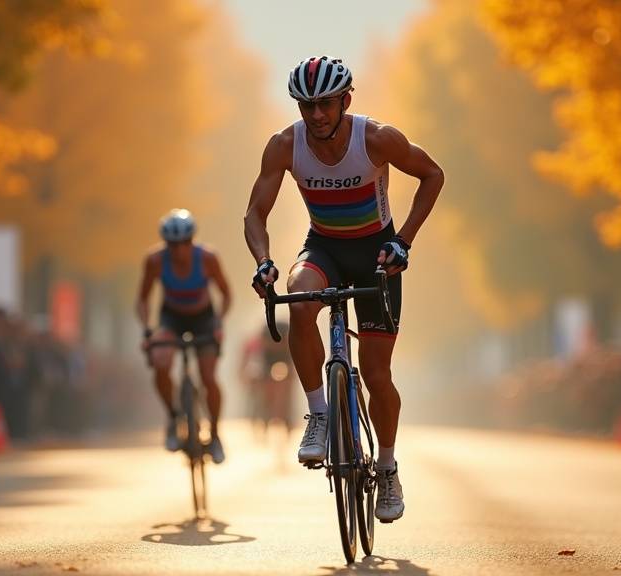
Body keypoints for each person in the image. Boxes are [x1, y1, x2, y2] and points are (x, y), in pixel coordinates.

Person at [244, 56, 444, 523]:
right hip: (325, 249)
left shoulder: (375, 138)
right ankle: (318, 414)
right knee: (300, 296)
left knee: (377, 375)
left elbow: (432, 174)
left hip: (378, 253)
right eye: (307, 105)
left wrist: (404, 241)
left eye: (326, 105)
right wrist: (264, 263)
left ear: (345, 101)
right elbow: (255, 212)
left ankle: (388, 468)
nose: (316, 115)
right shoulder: (283, 146)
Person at [136, 209, 231, 464]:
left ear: (193, 240)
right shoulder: (155, 261)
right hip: (171, 317)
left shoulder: (208, 258)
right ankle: (173, 415)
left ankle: (215, 433)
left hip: (204, 318)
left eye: (185, 243)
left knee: (209, 375)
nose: (179, 251)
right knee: (160, 361)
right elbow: (143, 299)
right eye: (173, 245)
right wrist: (148, 331)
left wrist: (219, 323)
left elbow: (226, 293)